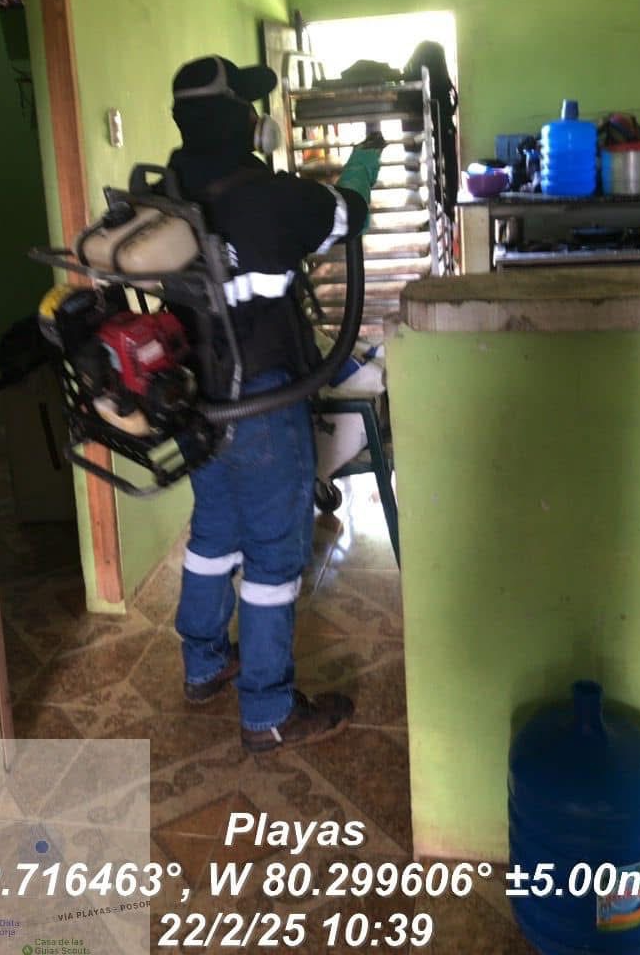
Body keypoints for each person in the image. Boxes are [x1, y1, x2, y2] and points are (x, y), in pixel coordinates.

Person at [168, 54, 383, 753]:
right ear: (245, 122)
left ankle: (204, 664)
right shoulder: (269, 197)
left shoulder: (164, 191)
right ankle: (268, 710)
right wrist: (365, 162)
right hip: (262, 401)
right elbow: (349, 214)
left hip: (194, 398)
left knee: (212, 535)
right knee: (273, 555)